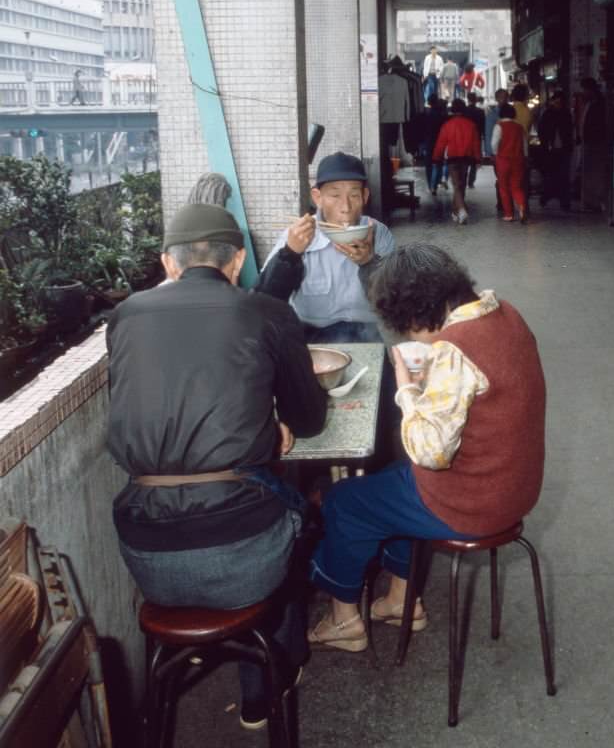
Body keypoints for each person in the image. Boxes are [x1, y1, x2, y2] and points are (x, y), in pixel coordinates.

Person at [106, 203, 327, 731]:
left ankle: (208, 651)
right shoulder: (266, 312)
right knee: (303, 526)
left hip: (147, 558)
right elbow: (310, 420)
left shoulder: (125, 316)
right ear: (237, 262)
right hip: (242, 557)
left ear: (168, 264)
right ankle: (266, 682)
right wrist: (271, 426)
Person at [306, 244, 546, 652]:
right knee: (388, 484)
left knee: (345, 500)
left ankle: (343, 621)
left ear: (417, 314)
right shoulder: (505, 312)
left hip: (474, 505)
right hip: (517, 488)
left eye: (408, 327)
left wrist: (407, 388)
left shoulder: (454, 349)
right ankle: (401, 601)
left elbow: (428, 453)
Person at [258, 152, 394, 342]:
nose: (345, 207)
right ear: (317, 197)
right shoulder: (299, 234)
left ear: (365, 196)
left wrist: (369, 263)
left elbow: (396, 301)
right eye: (335, 195)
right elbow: (264, 301)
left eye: (354, 195)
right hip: (311, 335)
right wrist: (290, 254)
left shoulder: (378, 233)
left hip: (367, 334)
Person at [432, 99, 479, 225]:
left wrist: (437, 157)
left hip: (452, 158)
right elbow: (476, 143)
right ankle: (457, 211)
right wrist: (478, 158)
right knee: (462, 185)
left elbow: (441, 143)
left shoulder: (447, 125)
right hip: (466, 158)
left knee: (457, 185)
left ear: (452, 109)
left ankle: (461, 210)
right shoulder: (471, 125)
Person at [537, 89, 574, 211]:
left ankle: (564, 201)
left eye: (560, 102)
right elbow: (542, 130)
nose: (557, 104)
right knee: (551, 174)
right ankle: (547, 196)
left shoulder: (565, 114)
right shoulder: (548, 114)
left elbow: (569, 132)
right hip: (551, 149)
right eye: (556, 101)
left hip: (563, 149)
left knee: (563, 175)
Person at [492, 103, 528, 223]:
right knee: (516, 187)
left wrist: (495, 153)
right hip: (518, 160)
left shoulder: (499, 126)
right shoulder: (519, 127)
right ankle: (522, 207)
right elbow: (524, 145)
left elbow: (494, 143)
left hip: (503, 159)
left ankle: (509, 214)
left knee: (503, 187)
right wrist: (526, 157)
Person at [579, 77, 608, 213]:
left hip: (596, 142)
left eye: (584, 89)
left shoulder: (599, 104)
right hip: (589, 141)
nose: (583, 92)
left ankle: (596, 201)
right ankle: (590, 201)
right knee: (589, 172)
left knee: (595, 173)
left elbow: (598, 124)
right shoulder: (589, 103)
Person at [464, 92, 486, 190]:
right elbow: (483, 126)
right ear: (475, 99)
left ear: (468, 99)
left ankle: (463, 180)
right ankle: (471, 182)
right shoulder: (480, 112)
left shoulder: (464, 111)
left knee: (465, 160)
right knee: (474, 161)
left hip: (465, 138)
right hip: (477, 137)